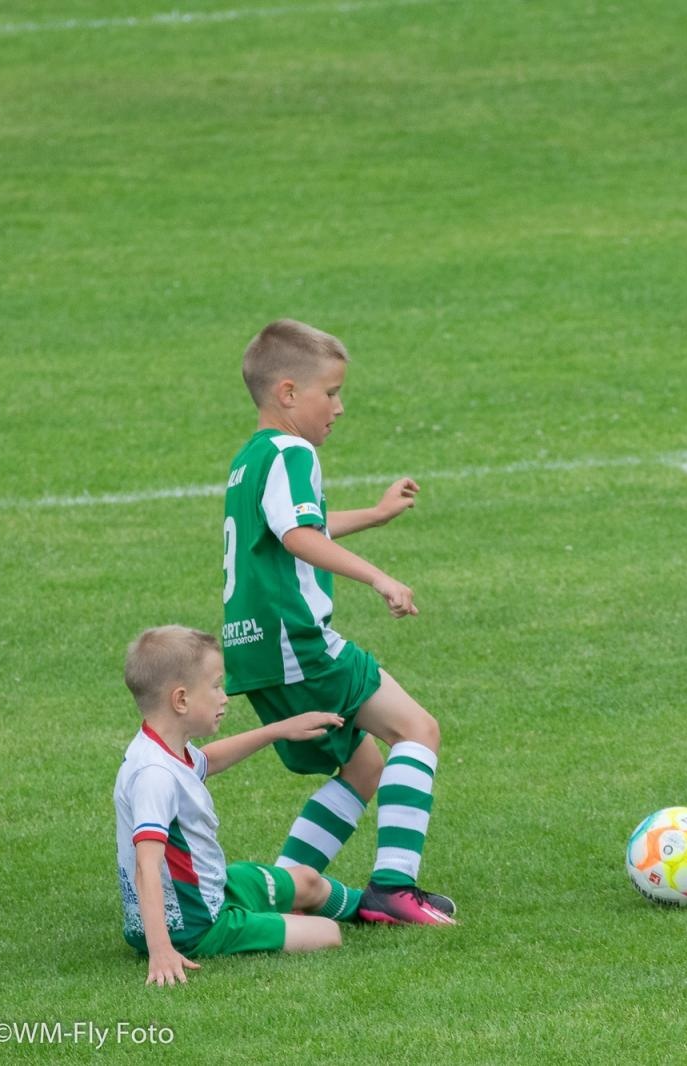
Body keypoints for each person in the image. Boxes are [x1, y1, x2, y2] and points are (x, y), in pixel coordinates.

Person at [221, 319, 455, 925]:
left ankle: (284, 891)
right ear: (289, 393)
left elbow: (292, 525)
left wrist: (375, 515)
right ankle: (394, 890)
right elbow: (299, 534)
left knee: (364, 765)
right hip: (297, 643)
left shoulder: (250, 458)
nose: (340, 407)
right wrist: (379, 576)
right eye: (331, 392)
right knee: (417, 731)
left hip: (255, 653)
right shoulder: (293, 451)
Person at [115, 626, 363, 985]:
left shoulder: (162, 748)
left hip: (209, 891)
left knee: (308, 880)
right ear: (180, 700)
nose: (225, 697)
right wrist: (161, 950)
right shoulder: (155, 774)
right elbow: (146, 867)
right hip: (195, 925)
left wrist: (279, 729)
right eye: (216, 686)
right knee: (326, 933)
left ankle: (376, 907)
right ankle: (255, 920)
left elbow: (207, 762)